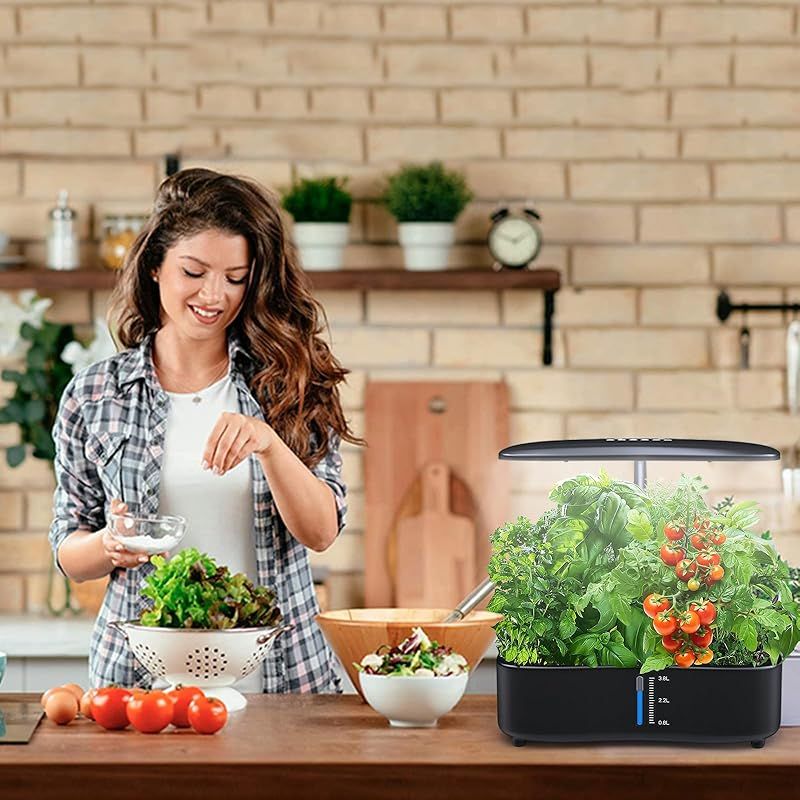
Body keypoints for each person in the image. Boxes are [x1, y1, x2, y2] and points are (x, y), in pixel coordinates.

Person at [48, 167, 360, 693]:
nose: (214, 295)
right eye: (194, 271)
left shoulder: (287, 381)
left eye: (235, 278)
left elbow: (321, 533)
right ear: (155, 266)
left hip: (282, 681)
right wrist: (110, 543)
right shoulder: (96, 393)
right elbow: (69, 551)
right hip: (142, 688)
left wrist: (268, 444)